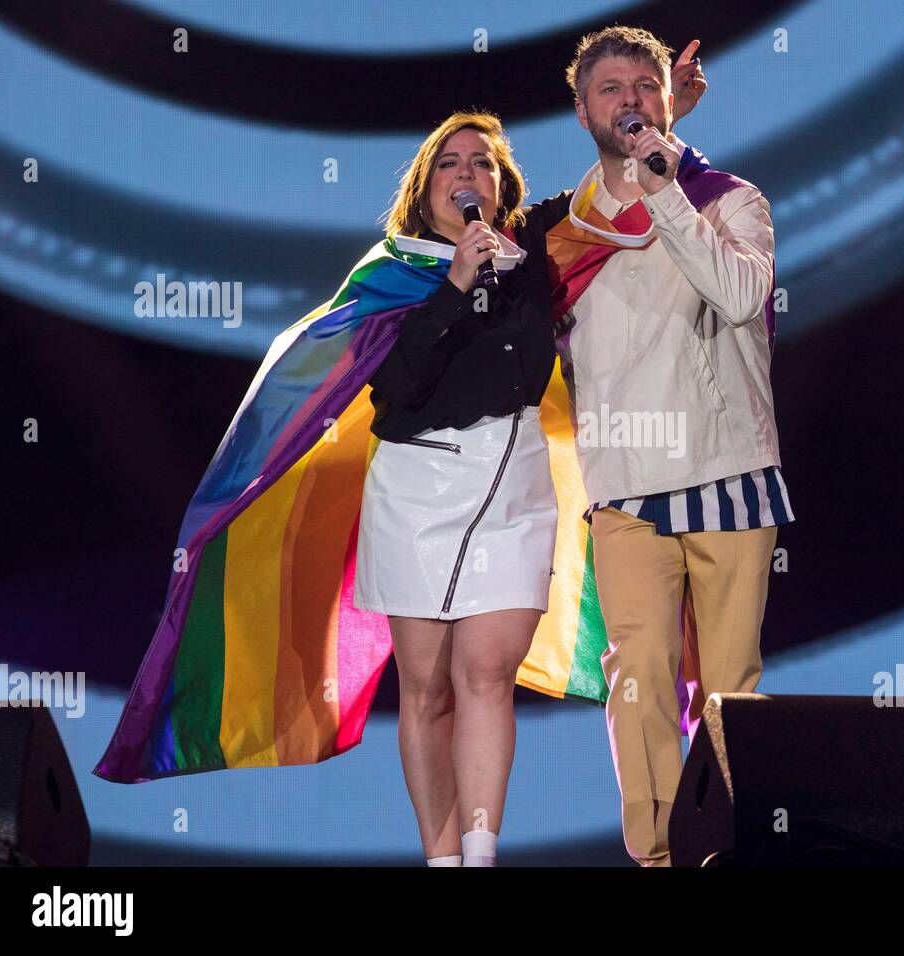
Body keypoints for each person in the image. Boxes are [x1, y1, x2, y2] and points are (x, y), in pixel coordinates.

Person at [351, 40, 707, 867]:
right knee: (429, 687)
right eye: (450, 162)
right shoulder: (393, 276)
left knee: (485, 671)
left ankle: (480, 856)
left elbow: (611, 197)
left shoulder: (537, 247)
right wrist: (450, 291)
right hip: (415, 487)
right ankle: (439, 857)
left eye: (482, 161)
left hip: (511, 486)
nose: (466, 172)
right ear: (426, 186)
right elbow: (393, 392)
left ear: (502, 184)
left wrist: (663, 121)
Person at [556, 26, 793, 867]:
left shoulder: (731, 200)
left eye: (643, 86)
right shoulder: (566, 234)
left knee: (731, 693)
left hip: (727, 471)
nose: (628, 100)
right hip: (624, 485)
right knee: (640, 677)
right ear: (582, 107)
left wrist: (665, 192)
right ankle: (658, 858)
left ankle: (727, 852)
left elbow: (735, 295)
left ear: (669, 100)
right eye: (610, 87)